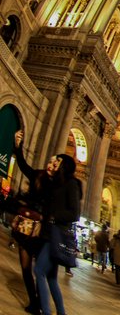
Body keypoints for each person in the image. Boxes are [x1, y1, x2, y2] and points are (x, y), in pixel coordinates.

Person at [34, 150, 82, 315]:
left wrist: (54, 217)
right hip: (49, 232)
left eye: (58, 161)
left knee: (39, 271)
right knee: (51, 277)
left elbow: (74, 213)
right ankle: (61, 312)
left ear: (65, 165)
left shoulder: (72, 184)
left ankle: (46, 312)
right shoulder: (56, 182)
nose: (55, 162)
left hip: (56, 234)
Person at [11, 129, 46, 314]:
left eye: (55, 163)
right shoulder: (37, 175)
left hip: (40, 232)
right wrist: (18, 146)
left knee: (39, 271)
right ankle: (34, 302)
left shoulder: (55, 184)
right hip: (27, 228)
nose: (51, 164)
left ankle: (40, 301)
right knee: (25, 268)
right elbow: (23, 164)